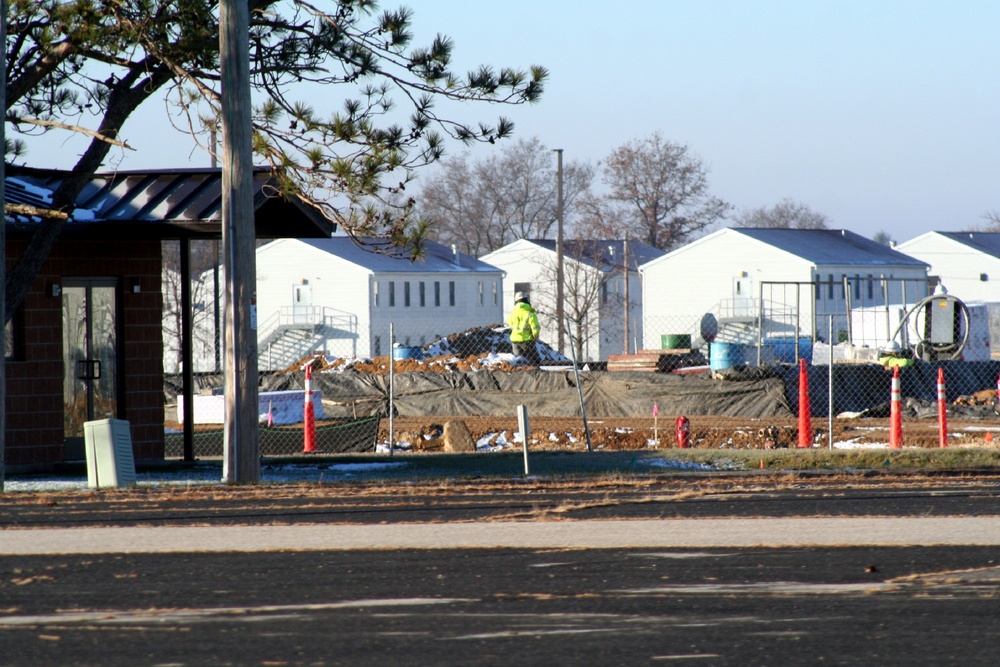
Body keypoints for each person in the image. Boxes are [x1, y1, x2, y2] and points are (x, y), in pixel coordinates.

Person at [507, 291, 541, 367]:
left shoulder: (513, 314)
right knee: (535, 362)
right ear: (526, 300)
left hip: (515, 341)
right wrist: (535, 337)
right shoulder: (530, 313)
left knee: (520, 363)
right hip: (527, 341)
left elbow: (509, 323)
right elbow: (535, 328)